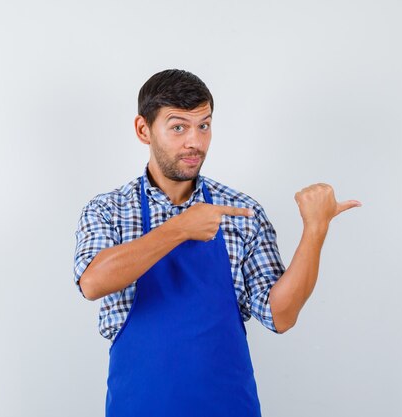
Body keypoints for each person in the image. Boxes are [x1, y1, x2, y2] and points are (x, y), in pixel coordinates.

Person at [73, 69, 362, 417]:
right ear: (143, 130)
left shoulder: (241, 211)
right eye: (178, 127)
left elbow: (280, 316)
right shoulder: (109, 209)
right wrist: (180, 227)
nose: (194, 141)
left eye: (204, 126)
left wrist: (315, 230)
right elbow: (92, 283)